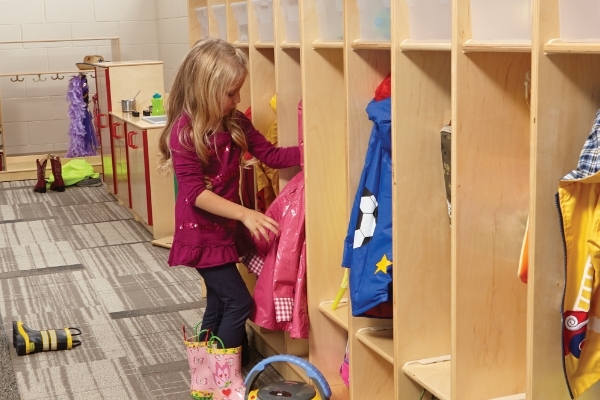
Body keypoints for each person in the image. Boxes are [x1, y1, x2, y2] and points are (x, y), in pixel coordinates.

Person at [157, 38, 300, 364]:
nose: (238, 100)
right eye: (231, 93)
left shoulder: (235, 122)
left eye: (239, 91)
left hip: (222, 232)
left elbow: (274, 156)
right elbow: (196, 193)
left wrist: (312, 151)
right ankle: (223, 377)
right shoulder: (185, 133)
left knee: (221, 303)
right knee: (238, 302)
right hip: (200, 235)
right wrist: (246, 214)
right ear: (206, 89)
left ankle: (204, 372)